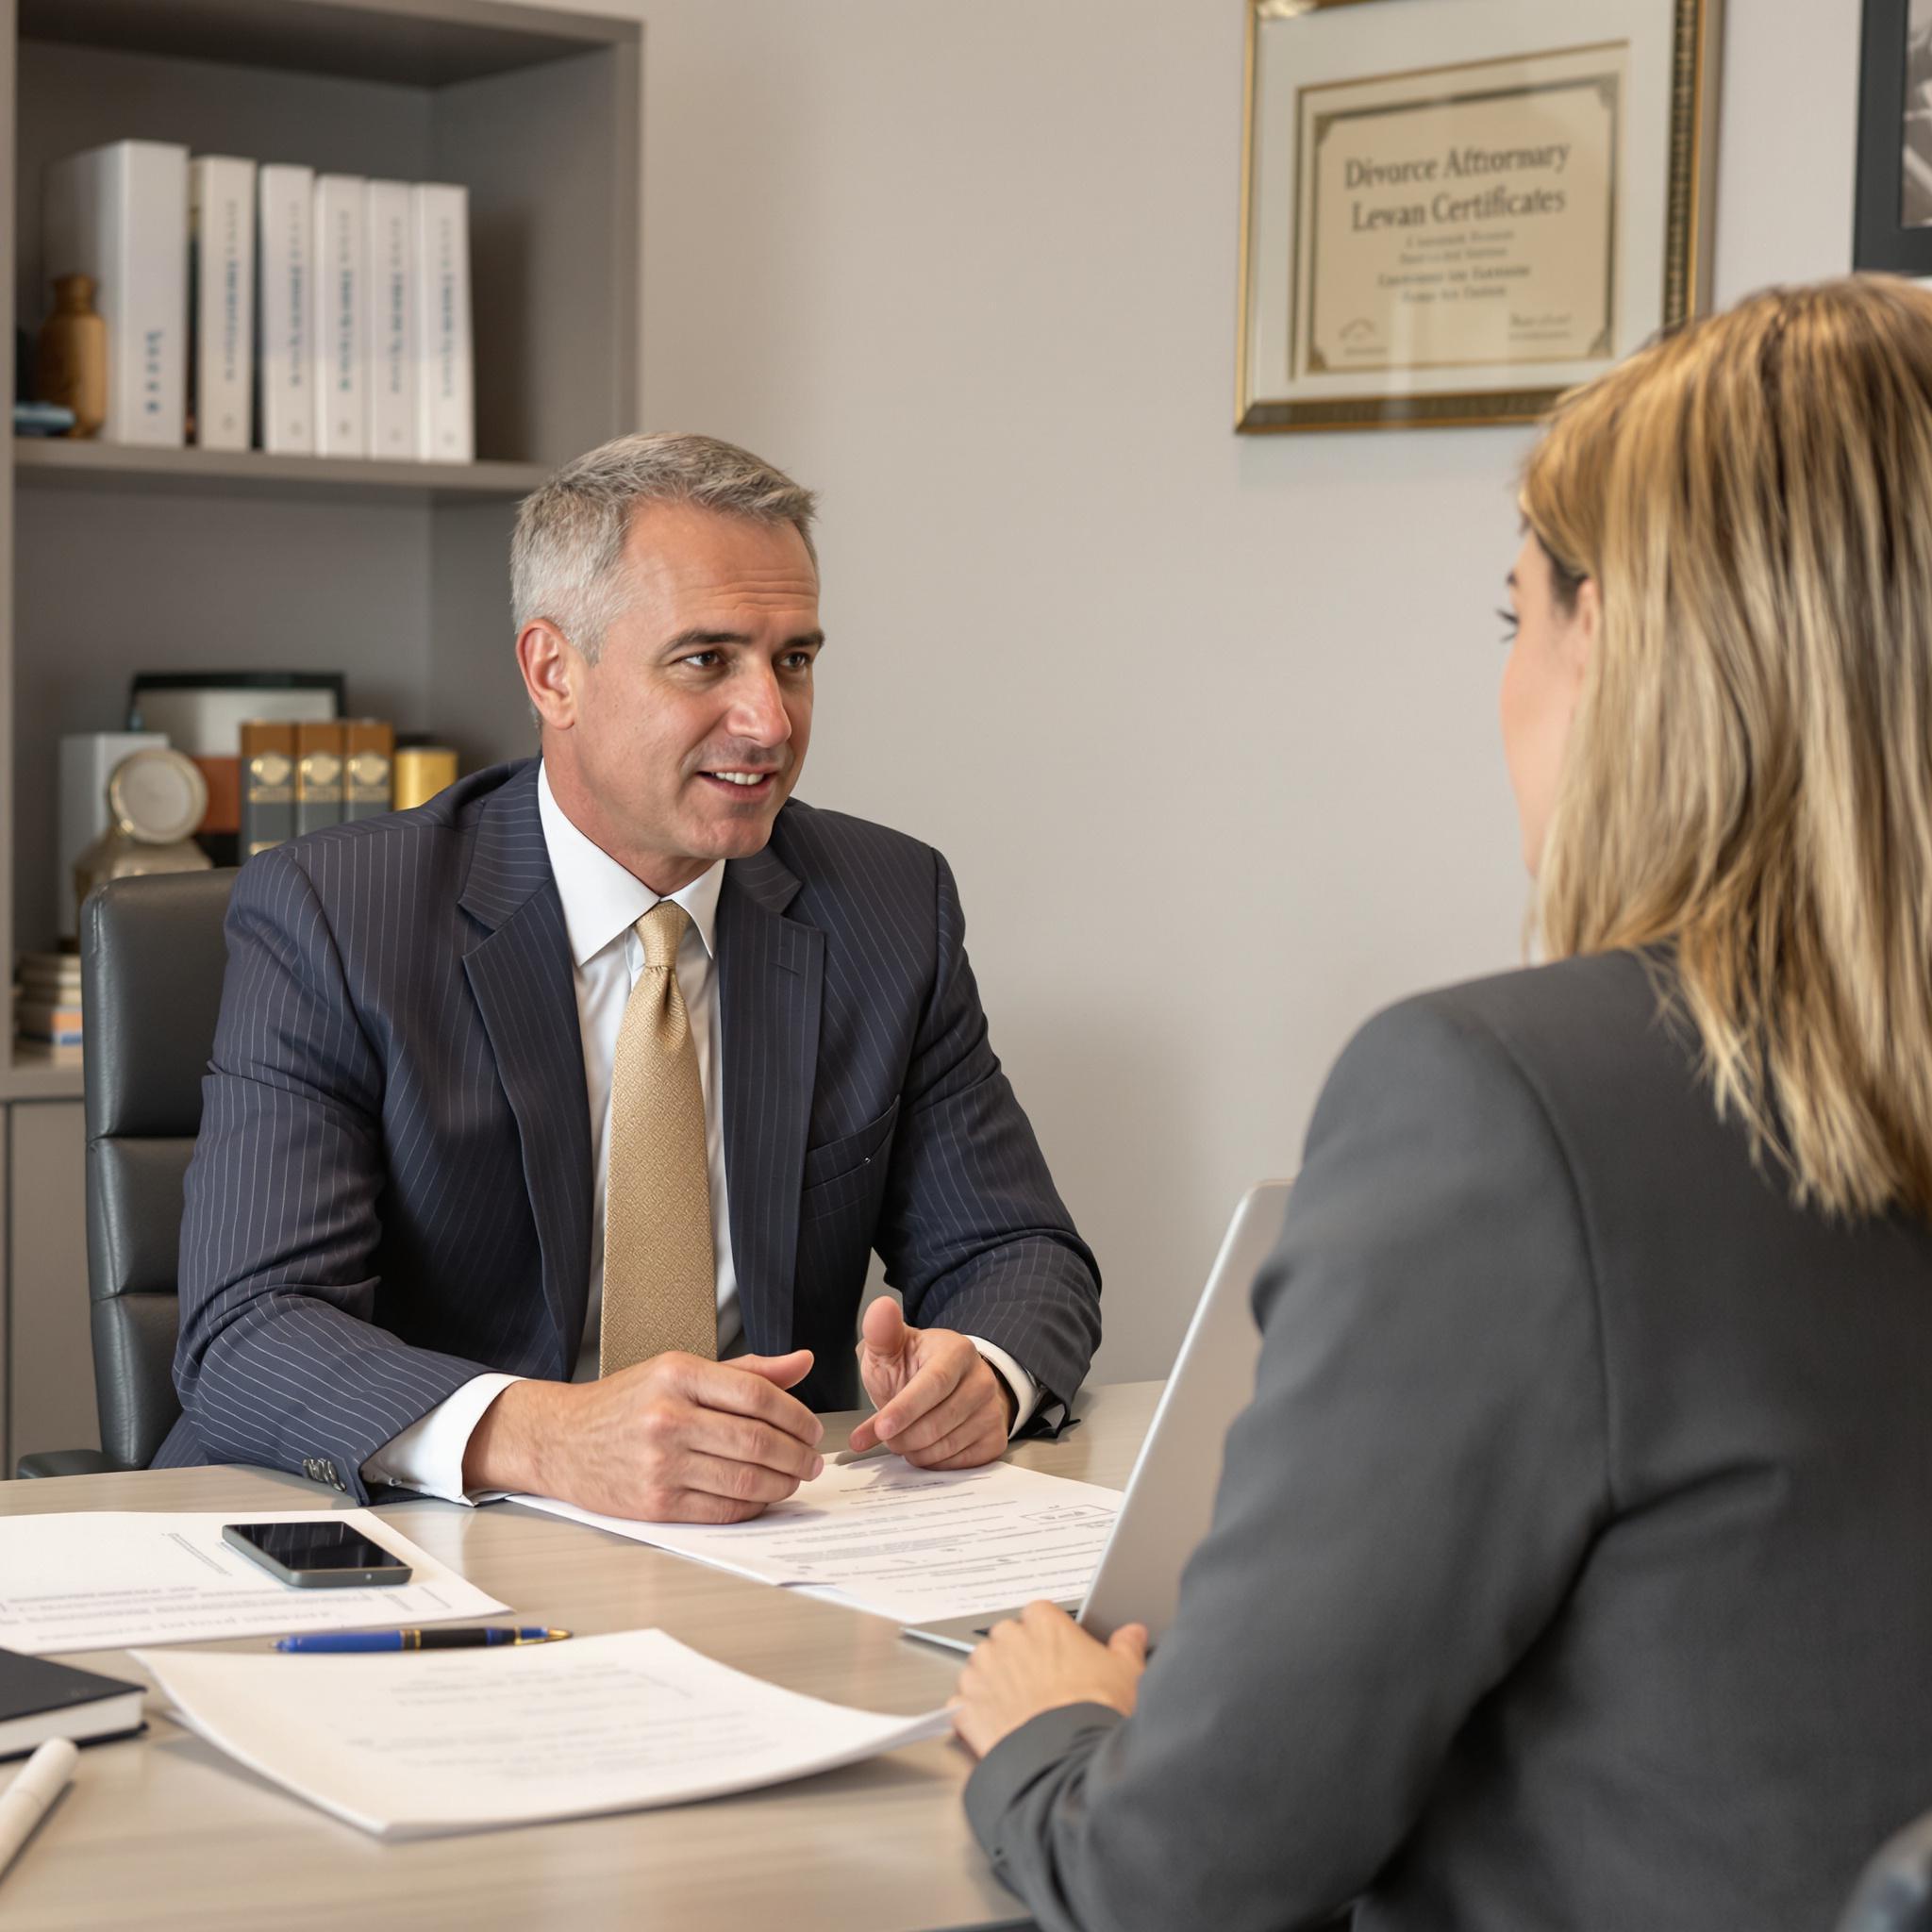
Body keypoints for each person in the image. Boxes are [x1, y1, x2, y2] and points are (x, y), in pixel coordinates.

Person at [950, 277, 1932, 1930]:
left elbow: (1179, 1877)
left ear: (1611, 635)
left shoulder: (1506, 1104)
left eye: (1511, 617)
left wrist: (1055, 1732)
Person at [158, 432, 1100, 1520]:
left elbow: (1017, 1247)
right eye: (706, 660)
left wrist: (980, 1371)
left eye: (793, 658)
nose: (771, 721)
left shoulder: (887, 905)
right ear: (553, 671)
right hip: (416, 1536)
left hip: (765, 1539)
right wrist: (550, 1436)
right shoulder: (337, 917)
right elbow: (248, 1328)